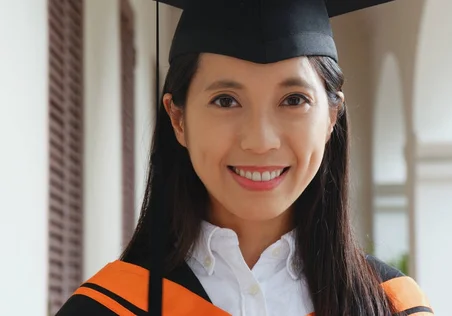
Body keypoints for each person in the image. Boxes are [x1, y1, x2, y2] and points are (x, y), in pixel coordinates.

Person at [57, 0, 433, 315]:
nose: (260, 141)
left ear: (332, 117)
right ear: (178, 118)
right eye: (225, 100)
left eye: (294, 100)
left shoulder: (391, 305)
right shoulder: (107, 308)